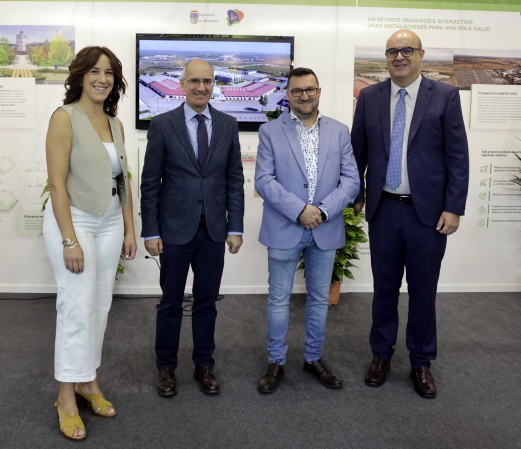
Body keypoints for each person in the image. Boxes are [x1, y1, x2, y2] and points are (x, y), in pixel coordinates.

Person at [351, 29, 469, 399]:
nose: (399, 57)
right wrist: (357, 194)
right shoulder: (369, 97)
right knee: (383, 289)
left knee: (423, 291)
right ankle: (381, 355)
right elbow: (357, 152)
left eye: (406, 50)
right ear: (386, 57)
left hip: (428, 215)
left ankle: (421, 362)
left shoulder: (445, 96)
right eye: (392, 51)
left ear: (420, 54)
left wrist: (454, 207)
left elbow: (457, 156)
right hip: (384, 210)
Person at [42, 46, 136, 441]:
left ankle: (88, 382)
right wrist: (69, 239)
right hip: (75, 220)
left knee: (99, 305)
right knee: (76, 307)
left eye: (109, 72)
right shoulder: (64, 118)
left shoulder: (115, 123)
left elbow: (122, 180)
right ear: (80, 75)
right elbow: (56, 184)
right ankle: (66, 397)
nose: (103, 78)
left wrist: (129, 228)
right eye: (95, 71)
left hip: (110, 219)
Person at [141, 59, 245, 397]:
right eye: (195, 81)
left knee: (206, 302)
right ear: (182, 84)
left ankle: (204, 365)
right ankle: (166, 367)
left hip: (213, 231)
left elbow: (234, 180)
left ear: (215, 85)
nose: (202, 87)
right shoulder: (162, 124)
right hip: (173, 230)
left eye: (208, 82)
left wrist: (235, 227)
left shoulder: (228, 125)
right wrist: (151, 231)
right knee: (171, 302)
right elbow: (150, 183)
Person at [254, 67, 359, 393]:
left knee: (318, 298)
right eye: (297, 90)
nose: (304, 95)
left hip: (325, 228)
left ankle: (313, 358)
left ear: (319, 91)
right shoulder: (270, 131)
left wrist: (322, 211)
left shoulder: (339, 131)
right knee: (279, 299)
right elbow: (264, 180)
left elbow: (351, 180)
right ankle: (276, 360)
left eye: (310, 89)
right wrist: (300, 210)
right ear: (288, 94)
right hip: (285, 227)